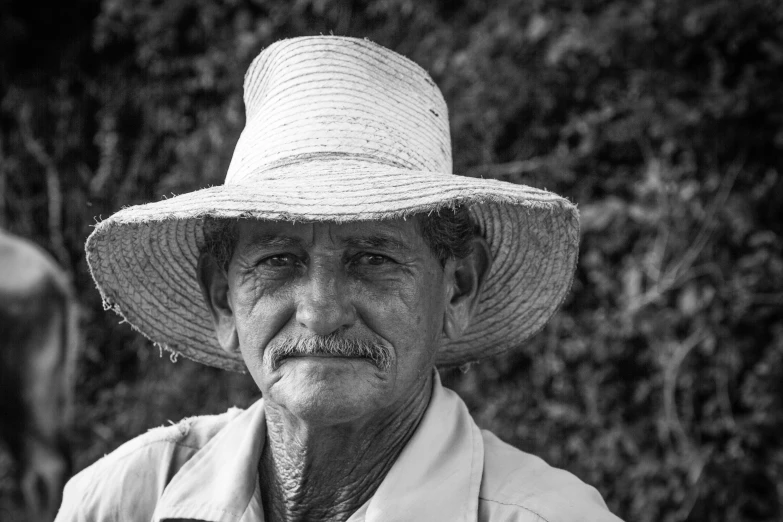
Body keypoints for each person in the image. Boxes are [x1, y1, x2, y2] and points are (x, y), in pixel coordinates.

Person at [56, 36, 623, 521]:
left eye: (373, 259)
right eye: (278, 261)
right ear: (222, 300)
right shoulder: (126, 499)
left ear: (457, 289)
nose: (321, 312)